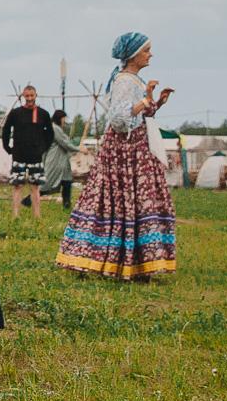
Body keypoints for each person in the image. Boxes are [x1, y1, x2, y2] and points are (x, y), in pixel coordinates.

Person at [56, 33, 177, 281]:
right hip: (124, 152)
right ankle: (108, 258)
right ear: (134, 55)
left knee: (137, 202)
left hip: (137, 149)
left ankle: (137, 262)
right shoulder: (124, 81)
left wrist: (157, 101)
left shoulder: (134, 80)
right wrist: (145, 100)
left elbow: (139, 115)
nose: (150, 54)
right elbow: (120, 120)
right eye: (147, 50)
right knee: (118, 201)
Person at [0, 85, 56, 218]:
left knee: (35, 187)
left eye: (32, 96)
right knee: (17, 186)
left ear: (36, 95)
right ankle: (15, 214)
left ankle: (37, 215)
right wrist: (8, 148)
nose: (29, 98)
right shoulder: (16, 113)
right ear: (23, 96)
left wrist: (43, 148)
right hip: (18, 155)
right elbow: (6, 130)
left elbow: (50, 134)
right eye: (27, 96)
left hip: (36, 156)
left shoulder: (43, 114)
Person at [40, 108, 80, 210]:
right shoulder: (54, 128)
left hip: (62, 163)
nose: (64, 121)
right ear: (59, 118)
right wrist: (79, 149)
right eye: (63, 118)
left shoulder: (56, 128)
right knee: (47, 185)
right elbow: (64, 143)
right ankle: (28, 201)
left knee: (67, 183)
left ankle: (67, 205)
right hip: (55, 161)